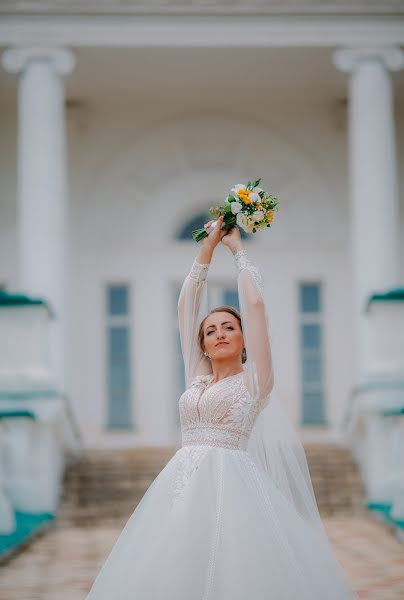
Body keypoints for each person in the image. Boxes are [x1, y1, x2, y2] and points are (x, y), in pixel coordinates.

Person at [85, 215, 358, 599]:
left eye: (229, 327)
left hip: (233, 485)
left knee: (233, 567)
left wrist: (237, 250)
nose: (219, 334)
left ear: (244, 338)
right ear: (204, 345)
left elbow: (257, 304)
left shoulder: (255, 382)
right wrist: (207, 247)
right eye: (211, 331)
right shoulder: (196, 377)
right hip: (180, 483)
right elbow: (185, 307)